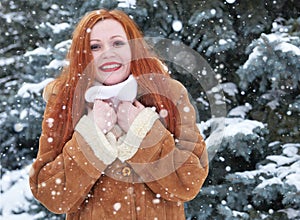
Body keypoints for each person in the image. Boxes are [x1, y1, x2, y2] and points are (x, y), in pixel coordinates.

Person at [29, 9, 208, 220]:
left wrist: (145, 132)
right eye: (95, 46)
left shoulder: (170, 95)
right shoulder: (64, 101)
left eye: (117, 43)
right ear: (83, 55)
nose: (108, 54)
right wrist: (92, 135)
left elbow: (188, 184)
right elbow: (52, 196)